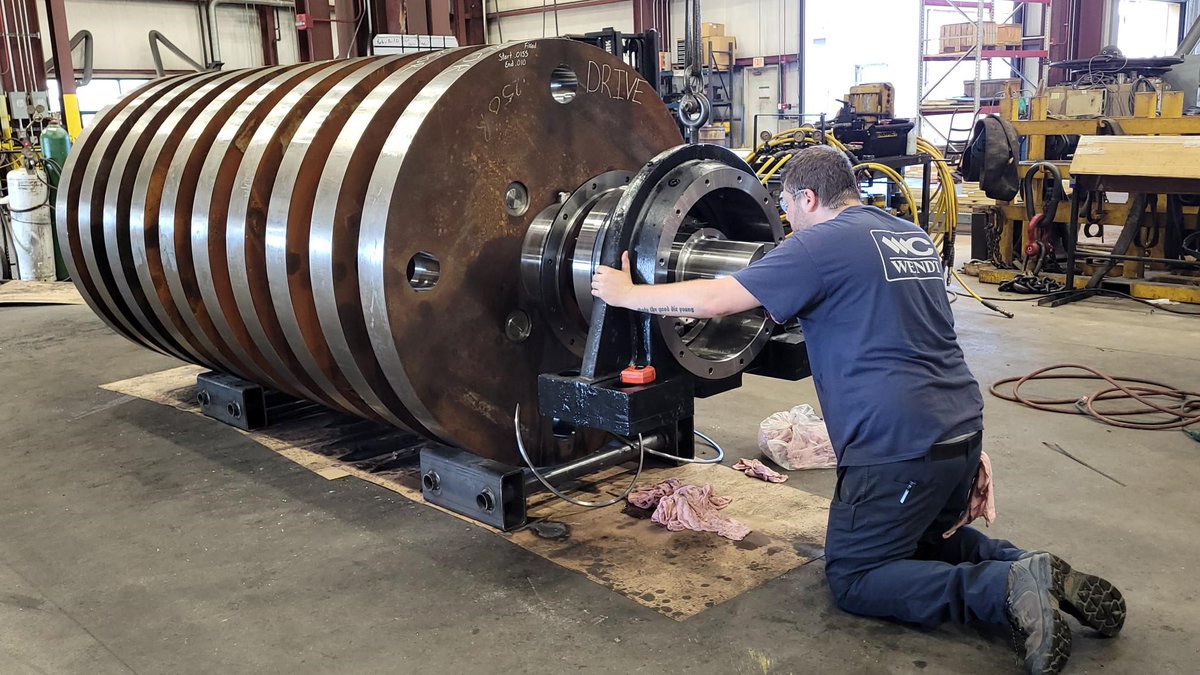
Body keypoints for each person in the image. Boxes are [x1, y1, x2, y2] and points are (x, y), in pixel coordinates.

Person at [590, 145, 1125, 674]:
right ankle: (1029, 566)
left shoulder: (818, 245)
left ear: (808, 197)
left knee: (856, 576)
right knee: (919, 541)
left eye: (787, 208)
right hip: (961, 432)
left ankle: (1001, 587)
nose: (787, 222)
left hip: (896, 448)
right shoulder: (909, 236)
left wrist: (625, 292)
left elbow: (715, 301)